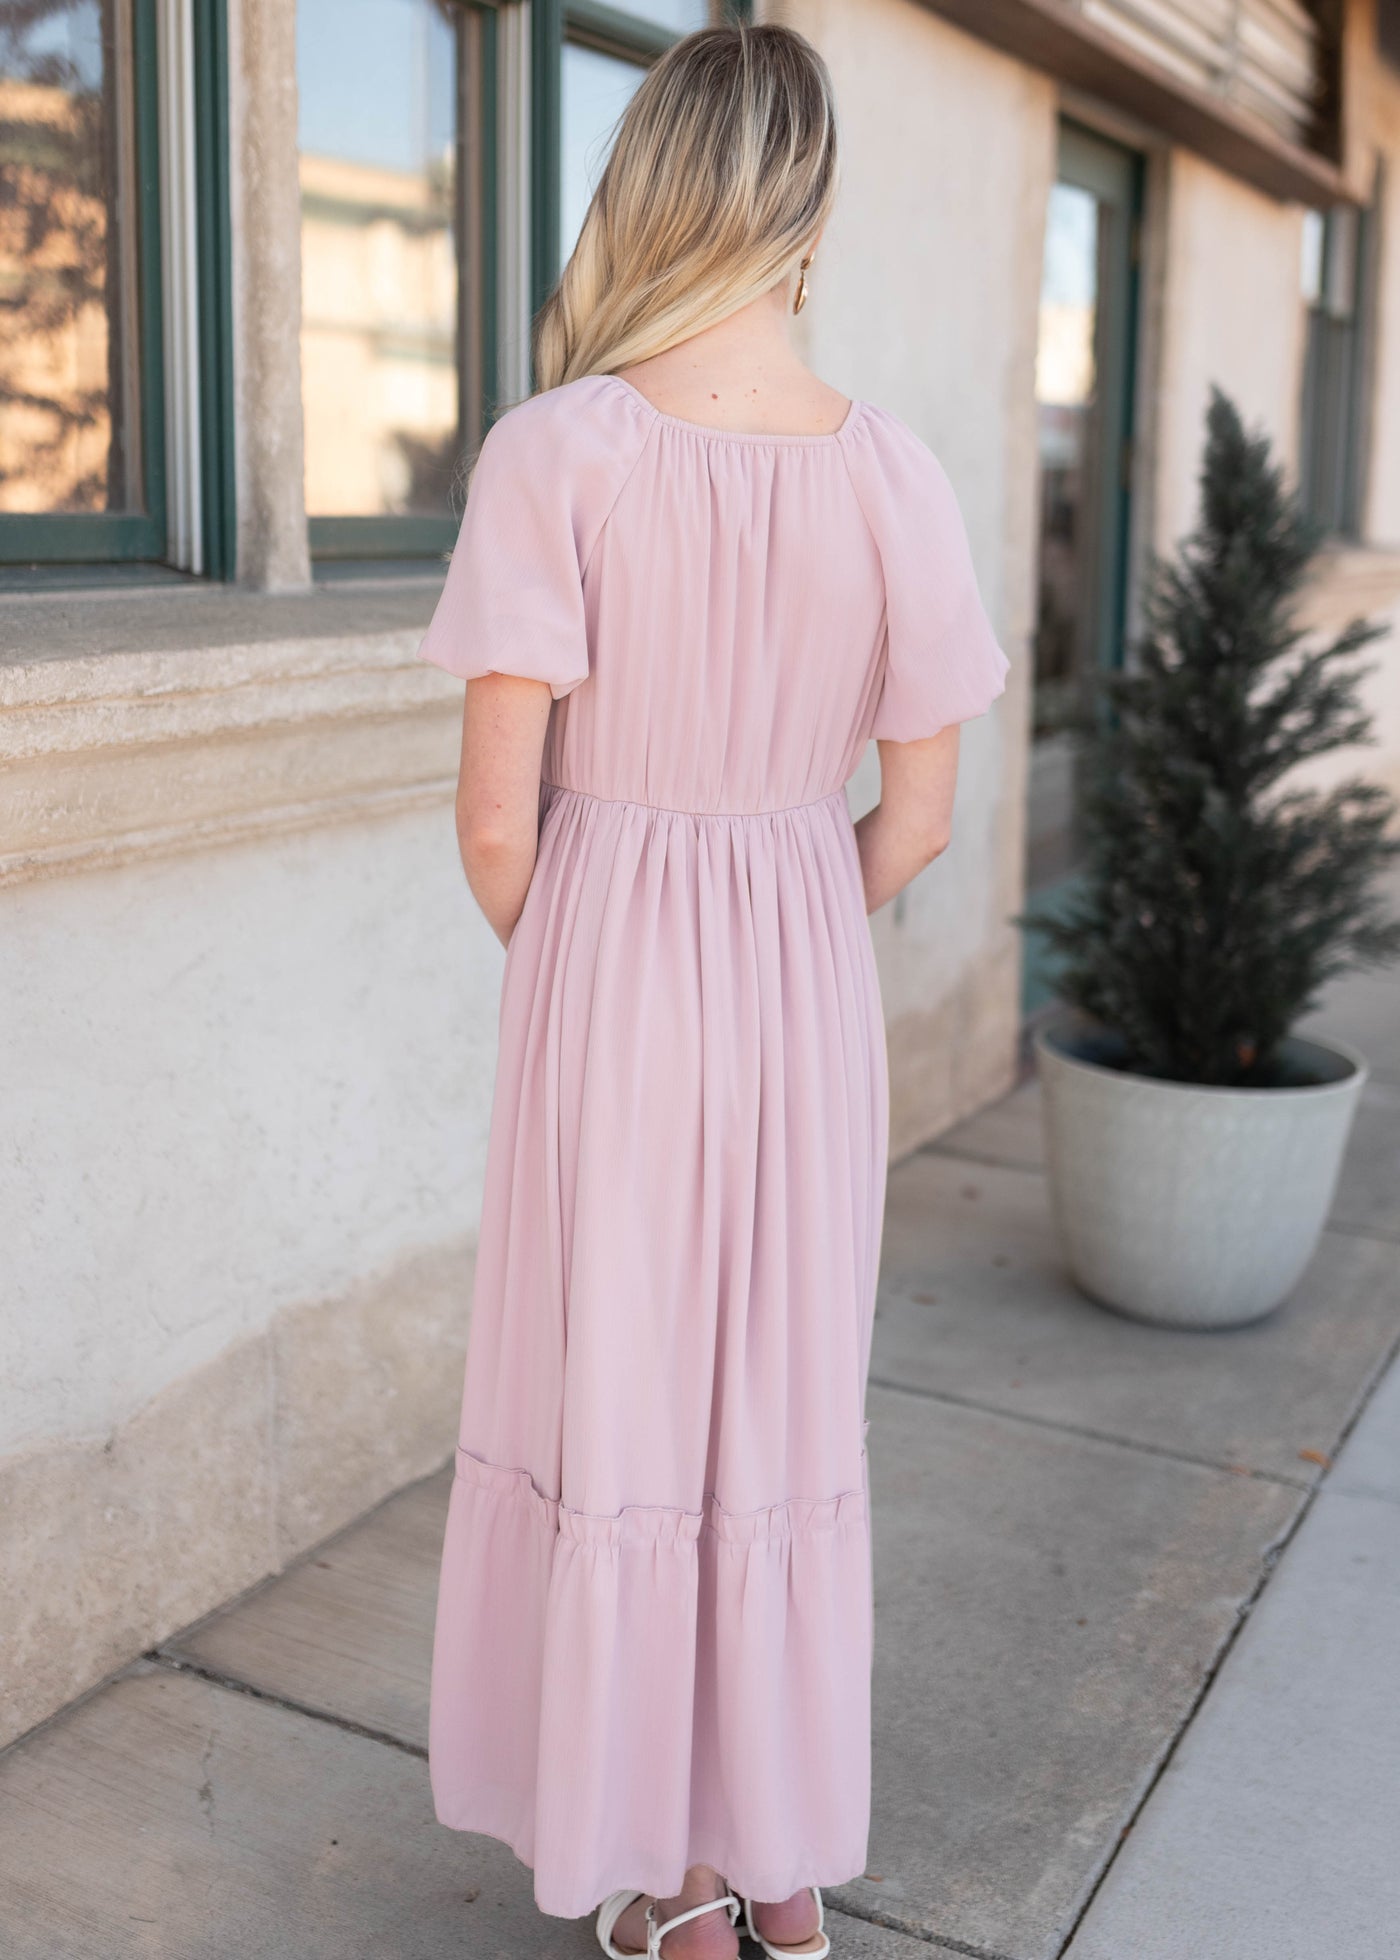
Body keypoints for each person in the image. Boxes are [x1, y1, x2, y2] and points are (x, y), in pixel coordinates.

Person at [416, 22, 1009, 1960]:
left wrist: (614, 971)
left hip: (610, 989)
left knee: (623, 1401)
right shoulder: (895, 476)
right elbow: (914, 815)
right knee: (776, 1408)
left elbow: (499, 826)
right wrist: (772, 944)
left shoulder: (557, 452)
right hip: (801, 981)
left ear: (653, 182)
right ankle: (777, 1861)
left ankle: (664, 1881)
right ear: (807, 209)